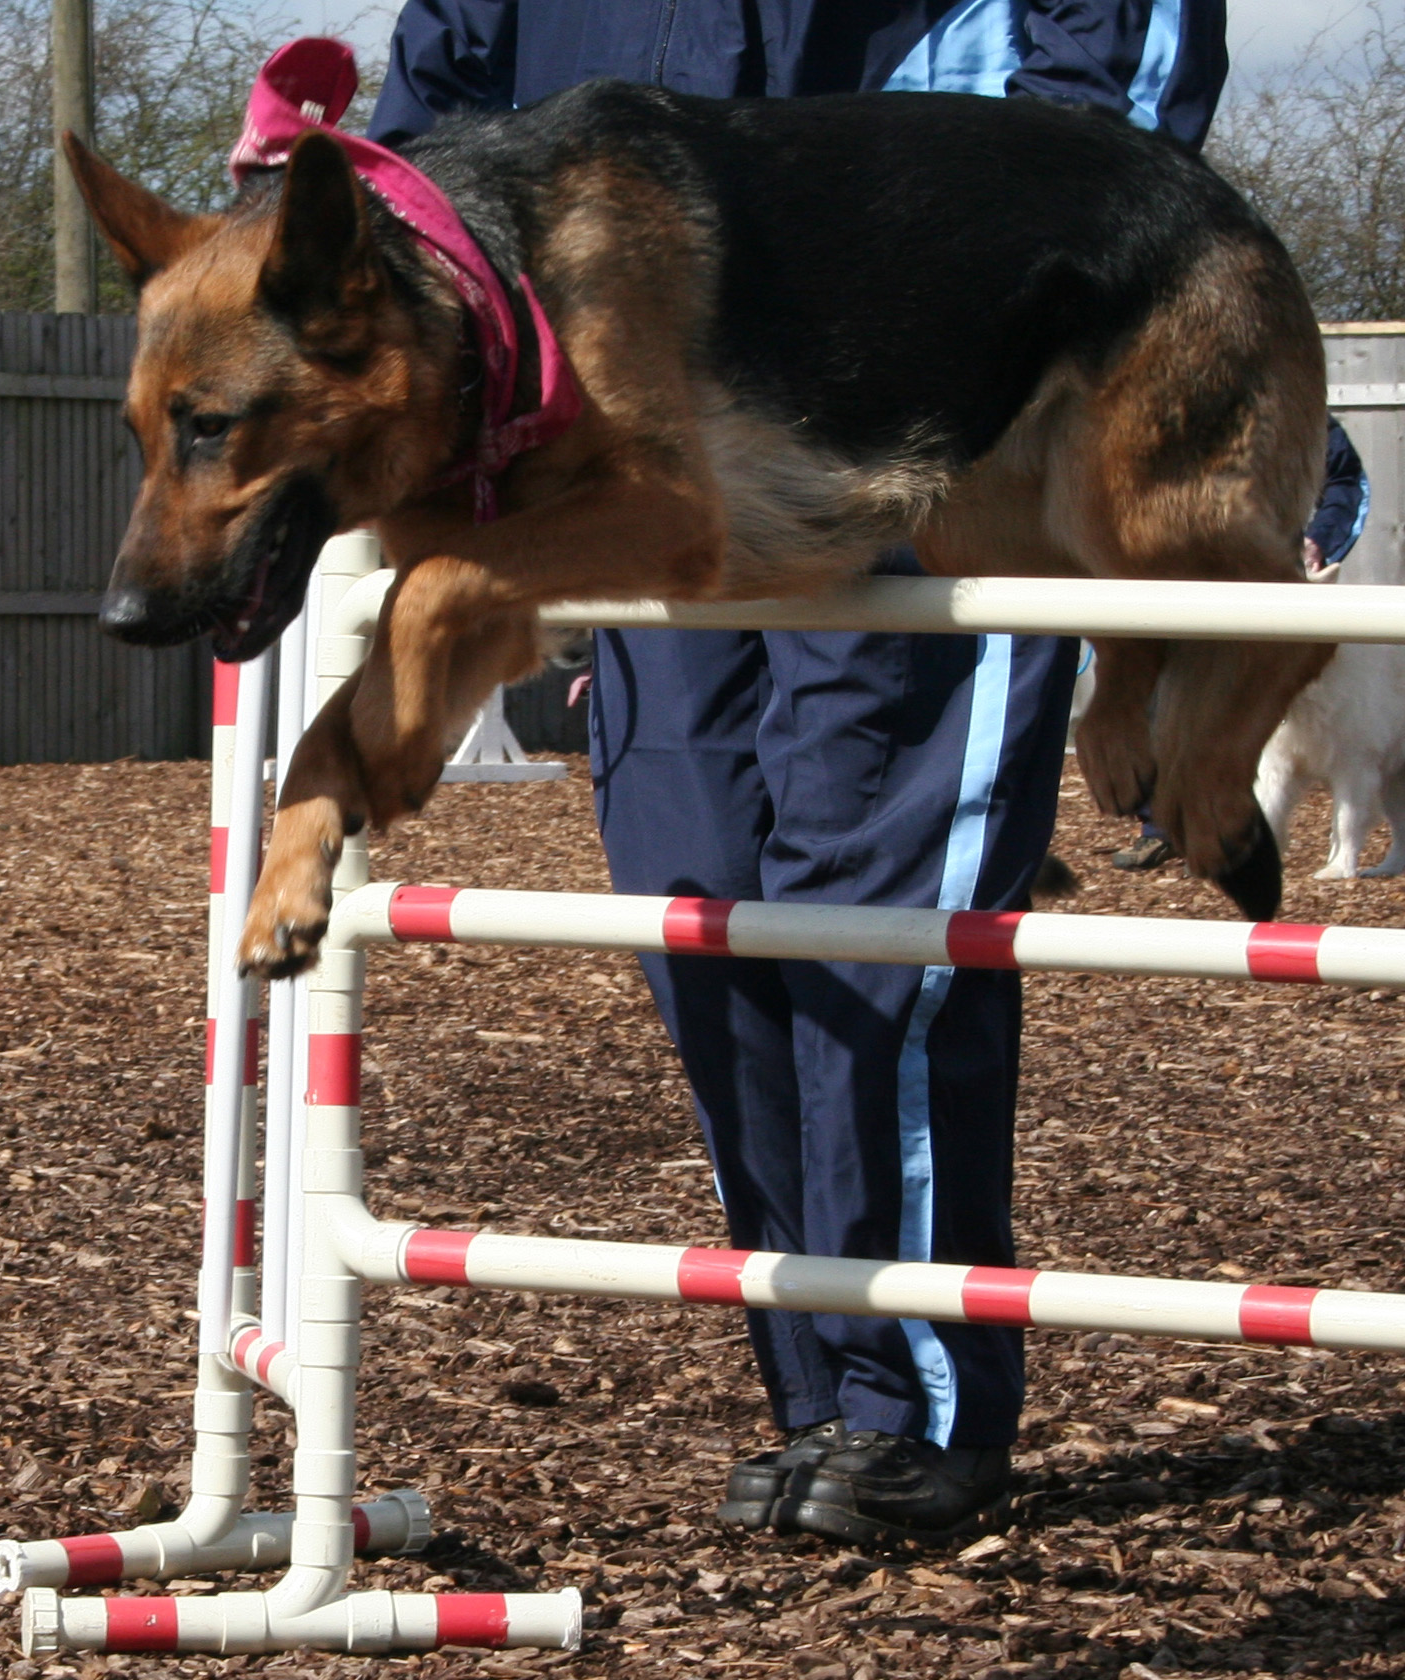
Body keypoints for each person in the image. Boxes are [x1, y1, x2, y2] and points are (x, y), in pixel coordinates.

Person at [370, 2, 1229, 1547]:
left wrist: (1016, 312)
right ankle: (820, 1386)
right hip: (640, 412)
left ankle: (915, 1402)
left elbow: (1120, 83)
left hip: (908, 387)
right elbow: (443, 87)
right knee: (695, 901)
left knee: (875, 912)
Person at [1112, 412, 1370, 874]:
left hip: (1270, 584)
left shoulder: (1293, 403)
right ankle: (1170, 828)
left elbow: (1347, 481)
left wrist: (1320, 541)